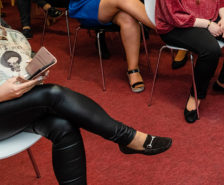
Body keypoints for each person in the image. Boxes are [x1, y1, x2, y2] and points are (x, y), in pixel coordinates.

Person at [0, 33, 171, 185]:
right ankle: (126, 136)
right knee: (52, 94)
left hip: (11, 106)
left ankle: (126, 138)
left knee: (63, 125)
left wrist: (32, 68)